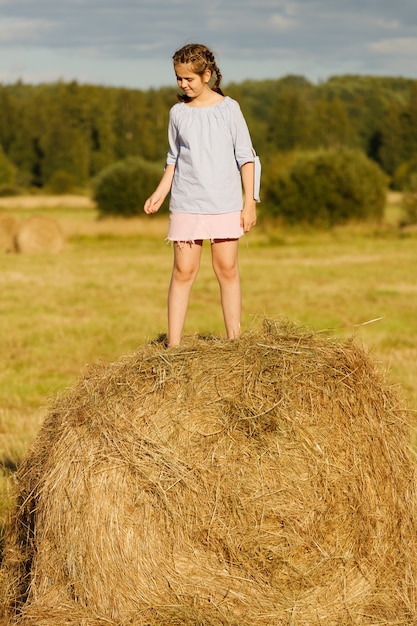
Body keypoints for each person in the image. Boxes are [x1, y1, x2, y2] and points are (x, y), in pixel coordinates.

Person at [144, 43, 260, 348]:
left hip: (224, 202)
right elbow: (174, 158)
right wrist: (160, 192)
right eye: (178, 79)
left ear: (206, 74)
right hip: (186, 203)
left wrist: (249, 203)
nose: (183, 84)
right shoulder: (178, 113)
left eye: (189, 79)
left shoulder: (229, 109)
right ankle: (174, 346)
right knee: (183, 271)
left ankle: (235, 343)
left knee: (227, 269)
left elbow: (246, 157)